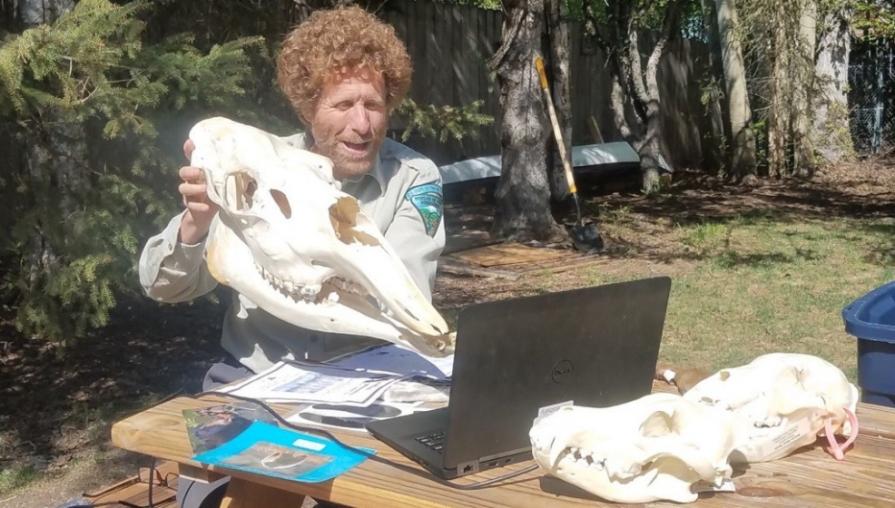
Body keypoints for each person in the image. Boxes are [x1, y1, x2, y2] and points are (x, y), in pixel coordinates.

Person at [137, 7, 444, 507]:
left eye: (374, 104)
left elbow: (405, 295)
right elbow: (161, 284)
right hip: (253, 382)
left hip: (365, 393)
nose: (362, 124)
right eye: (343, 104)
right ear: (307, 108)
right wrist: (197, 222)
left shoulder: (415, 178)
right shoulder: (249, 167)